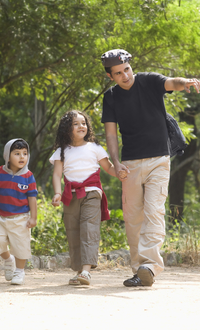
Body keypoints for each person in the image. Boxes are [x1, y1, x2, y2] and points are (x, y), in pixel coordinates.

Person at [100, 49, 200, 287]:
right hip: (131, 163)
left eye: (127, 69)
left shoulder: (148, 80)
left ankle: (150, 266)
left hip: (159, 159)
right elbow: (111, 135)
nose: (125, 75)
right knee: (133, 218)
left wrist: (184, 82)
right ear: (110, 76)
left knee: (154, 211)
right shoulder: (111, 97)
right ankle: (139, 271)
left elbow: (171, 82)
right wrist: (116, 162)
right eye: (118, 73)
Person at [50, 110, 121, 285]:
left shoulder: (95, 147)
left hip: (92, 193)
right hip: (70, 196)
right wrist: (58, 193)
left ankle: (87, 271)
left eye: (83, 123)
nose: (81, 126)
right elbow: (56, 174)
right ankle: (80, 271)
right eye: (76, 123)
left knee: (89, 229)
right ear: (67, 128)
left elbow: (109, 167)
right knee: (73, 231)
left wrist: (120, 173)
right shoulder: (62, 151)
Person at [0, 139, 38, 285]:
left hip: (21, 219)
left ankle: (19, 271)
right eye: (17, 153)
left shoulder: (28, 176)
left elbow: (32, 198)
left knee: (20, 246)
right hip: (1, 218)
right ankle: (8, 260)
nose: (22, 157)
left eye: (25, 153)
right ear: (8, 156)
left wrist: (33, 218)